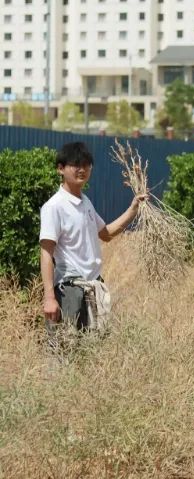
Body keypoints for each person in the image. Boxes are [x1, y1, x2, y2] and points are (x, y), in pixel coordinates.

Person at [40, 142, 147, 347]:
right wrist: (49, 298)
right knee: (65, 352)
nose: (82, 169)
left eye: (86, 164)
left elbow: (106, 234)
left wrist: (133, 209)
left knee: (92, 352)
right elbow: (46, 252)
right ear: (60, 169)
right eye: (75, 164)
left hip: (93, 288)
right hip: (69, 290)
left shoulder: (85, 202)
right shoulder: (54, 207)